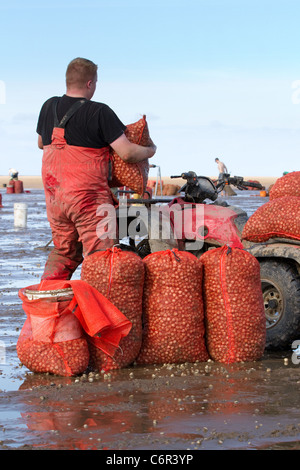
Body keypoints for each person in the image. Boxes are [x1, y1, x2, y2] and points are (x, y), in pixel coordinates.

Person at [37, 57, 156, 280]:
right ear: (90, 83)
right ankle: (97, 312)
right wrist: (150, 150)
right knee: (101, 257)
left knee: (64, 252)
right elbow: (127, 153)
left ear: (68, 80)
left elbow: (42, 143)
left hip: (55, 200)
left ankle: (47, 307)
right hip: (88, 201)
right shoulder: (99, 112)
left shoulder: (48, 107)